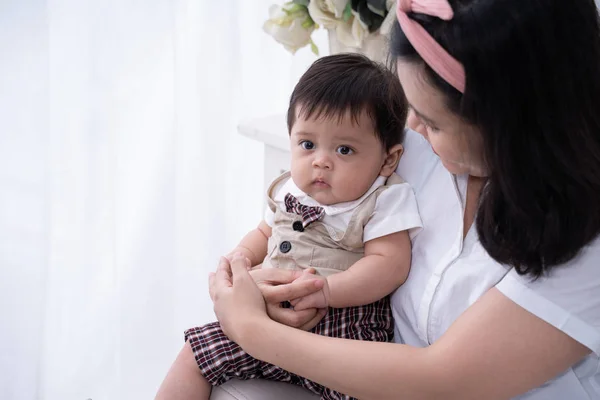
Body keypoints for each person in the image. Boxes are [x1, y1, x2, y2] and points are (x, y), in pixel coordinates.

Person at [158, 0, 600, 398]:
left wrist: (251, 328)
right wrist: (245, 282)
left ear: (512, 123)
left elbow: (443, 379)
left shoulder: (585, 243)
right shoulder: (414, 153)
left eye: (432, 121)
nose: (412, 130)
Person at [155, 53, 422, 400]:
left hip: (345, 328)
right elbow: (264, 233)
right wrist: (240, 260)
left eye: (344, 149)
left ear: (387, 159)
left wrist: (327, 290)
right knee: (196, 352)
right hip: (270, 317)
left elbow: (390, 264)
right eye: (307, 144)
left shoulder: (384, 198)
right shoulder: (290, 189)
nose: (320, 161)